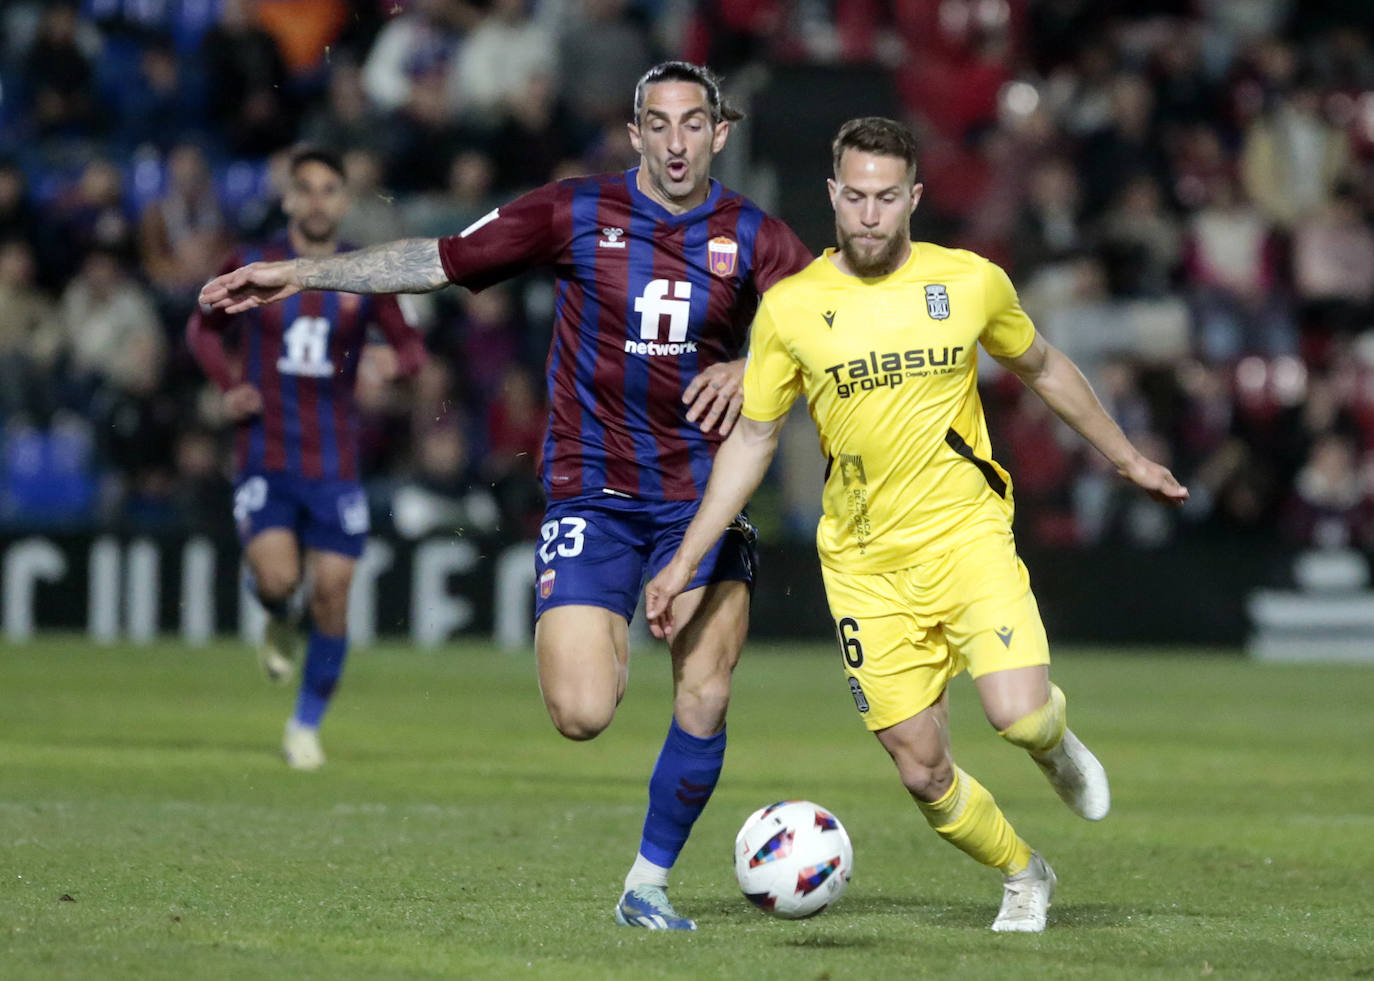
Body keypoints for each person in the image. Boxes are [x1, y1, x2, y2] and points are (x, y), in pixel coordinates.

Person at [198, 62, 815, 929]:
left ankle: (646, 883)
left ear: (719, 134)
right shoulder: (571, 210)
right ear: (635, 133)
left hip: (700, 496)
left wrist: (753, 363)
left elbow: (835, 330)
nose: (676, 142)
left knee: (706, 688)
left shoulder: (759, 237)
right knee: (580, 712)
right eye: (658, 124)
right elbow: (437, 259)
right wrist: (301, 271)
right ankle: (607, 626)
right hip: (593, 490)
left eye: (693, 124)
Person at [645, 117, 1189, 933]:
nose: (869, 214)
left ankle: (1054, 741)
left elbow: (1040, 364)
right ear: (833, 195)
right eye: (855, 197)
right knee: (922, 767)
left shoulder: (969, 281)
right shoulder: (791, 310)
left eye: (886, 198)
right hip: (863, 564)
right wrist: (686, 557)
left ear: (914, 199)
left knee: (1020, 715)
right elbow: (752, 440)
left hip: (967, 536)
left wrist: (1125, 457)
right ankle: (1023, 871)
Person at [187, 148, 427, 771]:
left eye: (329, 190)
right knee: (277, 580)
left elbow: (412, 349)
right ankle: (274, 615)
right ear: (289, 199)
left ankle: (304, 726)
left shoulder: (364, 272)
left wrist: (390, 363)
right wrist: (226, 383)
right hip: (265, 450)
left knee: (334, 594)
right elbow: (201, 327)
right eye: (306, 189)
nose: (317, 201)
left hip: (336, 460)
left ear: (344, 201)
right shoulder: (249, 263)